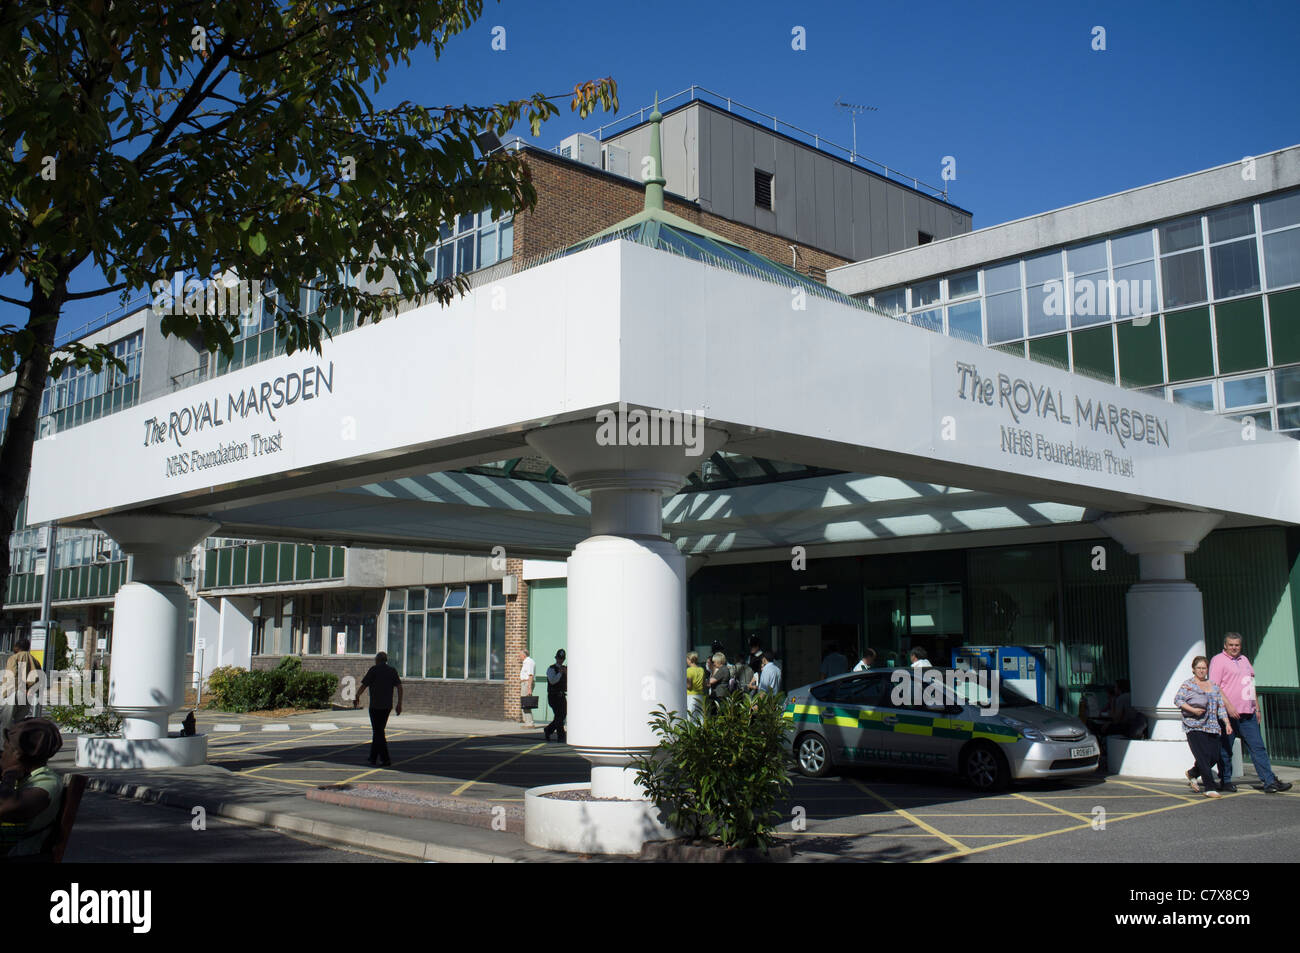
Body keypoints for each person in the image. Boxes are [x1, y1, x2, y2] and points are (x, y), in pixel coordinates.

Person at [1210, 633, 1292, 793]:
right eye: (1231, 645)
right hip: (1228, 714)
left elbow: (1250, 684)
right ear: (1225, 645)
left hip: (1248, 714)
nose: (1234, 648)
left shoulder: (1245, 660)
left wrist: (1257, 708)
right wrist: (1229, 706)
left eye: (1237, 645)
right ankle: (1225, 781)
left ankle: (1269, 782)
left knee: (1258, 748)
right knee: (1225, 750)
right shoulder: (1218, 660)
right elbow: (1214, 686)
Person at [0, 717, 65, 859]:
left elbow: (5, 807)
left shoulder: (46, 781)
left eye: (5, 749)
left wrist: (8, 776)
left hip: (19, 855)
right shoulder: (26, 777)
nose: (2, 755)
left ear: (17, 754)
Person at [1175, 656, 1233, 798]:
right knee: (1202, 757)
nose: (1201, 671)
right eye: (1199, 668)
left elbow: (1220, 706)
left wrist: (1227, 723)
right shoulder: (1188, 684)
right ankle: (1209, 787)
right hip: (1194, 726)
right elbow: (1178, 700)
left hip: (1212, 726)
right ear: (1194, 669)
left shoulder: (1213, 685)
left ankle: (1193, 773)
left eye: (1204, 668)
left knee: (1214, 755)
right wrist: (1193, 710)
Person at [354, 651, 402, 767]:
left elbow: (364, 685)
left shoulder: (374, 670)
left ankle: (385, 759)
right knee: (378, 731)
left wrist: (357, 696)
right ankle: (373, 757)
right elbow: (400, 687)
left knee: (378, 732)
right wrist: (399, 703)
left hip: (375, 706)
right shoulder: (392, 671)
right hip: (387, 706)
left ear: (378, 660)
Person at [1, 639, 41, 737]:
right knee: (19, 724)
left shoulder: (14, 658)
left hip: (15, 692)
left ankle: (4, 747)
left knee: (5, 723)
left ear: (17, 647)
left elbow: (12, 675)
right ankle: (17, 746)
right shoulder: (35, 660)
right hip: (28, 694)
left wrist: (5, 693)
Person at [544, 649, 567, 743]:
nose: (560, 660)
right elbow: (553, 681)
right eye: (559, 658)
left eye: (562, 659)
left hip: (561, 695)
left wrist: (566, 672)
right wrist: (560, 673)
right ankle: (561, 735)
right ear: (556, 658)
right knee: (559, 716)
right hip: (553, 696)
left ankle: (548, 730)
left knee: (562, 715)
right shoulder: (551, 669)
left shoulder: (565, 669)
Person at [518, 649, 536, 728]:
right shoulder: (525, 662)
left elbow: (530, 675)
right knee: (524, 703)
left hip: (527, 683)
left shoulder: (529, 662)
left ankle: (530, 723)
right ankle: (527, 722)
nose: (519, 657)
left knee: (526, 703)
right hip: (524, 683)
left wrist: (529, 687)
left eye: (520, 655)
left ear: (524, 655)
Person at [686, 652, 705, 717]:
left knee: (691, 716)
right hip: (700, 695)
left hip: (691, 695)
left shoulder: (689, 670)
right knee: (700, 716)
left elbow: (689, 686)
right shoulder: (701, 669)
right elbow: (703, 683)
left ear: (689, 659)